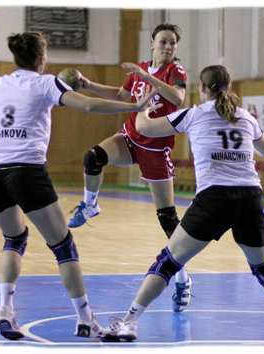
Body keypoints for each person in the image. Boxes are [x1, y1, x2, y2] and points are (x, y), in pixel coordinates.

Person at [0, 32, 155, 341]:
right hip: (25, 171)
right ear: (41, 58)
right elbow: (91, 107)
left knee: (14, 239)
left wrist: (0, 125)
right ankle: (86, 321)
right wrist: (136, 106)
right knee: (63, 246)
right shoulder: (46, 83)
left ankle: (5, 309)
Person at [105, 65, 264, 342]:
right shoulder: (245, 116)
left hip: (214, 198)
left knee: (168, 262)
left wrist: (142, 104)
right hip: (250, 197)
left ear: (202, 88)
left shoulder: (194, 114)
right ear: (229, 86)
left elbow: (144, 127)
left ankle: (129, 323)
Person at [68, 23, 192, 312]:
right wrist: (88, 85)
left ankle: (183, 280)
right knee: (93, 157)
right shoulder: (141, 69)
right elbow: (123, 97)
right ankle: (90, 205)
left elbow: (178, 98)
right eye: (163, 42)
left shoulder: (176, 71)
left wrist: (147, 76)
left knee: (167, 218)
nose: (168, 47)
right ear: (152, 43)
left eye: (172, 43)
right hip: (130, 137)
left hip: (156, 147)